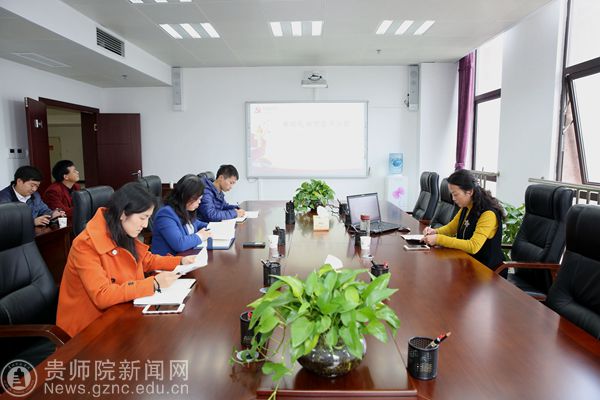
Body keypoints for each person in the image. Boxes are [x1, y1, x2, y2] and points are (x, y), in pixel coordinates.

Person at [56, 182, 197, 337]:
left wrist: (180, 261)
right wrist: (154, 284)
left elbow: (145, 260)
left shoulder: (121, 229)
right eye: (143, 218)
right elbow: (102, 295)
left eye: (148, 218)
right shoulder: (84, 245)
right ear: (123, 213)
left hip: (121, 312)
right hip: (88, 330)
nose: (145, 225)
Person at [422, 169, 505, 274]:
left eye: (455, 194)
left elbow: (473, 246)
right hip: (468, 263)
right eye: (452, 194)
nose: (453, 198)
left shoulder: (488, 214)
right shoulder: (467, 206)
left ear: (469, 192)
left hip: (487, 271)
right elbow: (451, 228)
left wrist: (438, 239)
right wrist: (435, 231)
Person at [151, 175, 212, 256]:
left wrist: (212, 226)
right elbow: (179, 244)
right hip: (169, 260)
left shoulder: (185, 209)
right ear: (186, 197)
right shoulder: (165, 214)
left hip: (186, 257)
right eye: (197, 199)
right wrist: (200, 236)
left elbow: (196, 223)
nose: (199, 202)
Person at [0, 165, 65, 226]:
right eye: (32, 185)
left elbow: (44, 210)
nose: (34, 189)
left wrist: (53, 214)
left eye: (37, 186)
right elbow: (5, 224)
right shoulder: (3, 198)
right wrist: (32, 222)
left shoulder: (35, 195)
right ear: (19, 181)